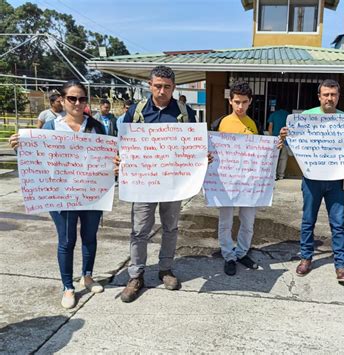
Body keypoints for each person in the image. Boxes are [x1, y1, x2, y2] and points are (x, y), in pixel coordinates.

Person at [9, 80, 107, 309]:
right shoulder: (50, 128)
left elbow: (106, 155)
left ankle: (88, 276)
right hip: (60, 195)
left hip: (91, 192)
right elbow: (38, 157)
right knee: (66, 240)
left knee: (90, 237)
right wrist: (21, 147)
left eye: (82, 98)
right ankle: (68, 287)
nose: (77, 102)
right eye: (72, 98)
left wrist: (113, 165)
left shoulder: (96, 127)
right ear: (61, 100)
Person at [115, 66, 196, 303]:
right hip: (144, 182)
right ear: (150, 85)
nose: (162, 91)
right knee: (140, 230)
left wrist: (202, 156)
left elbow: (194, 143)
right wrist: (120, 156)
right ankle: (136, 275)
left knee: (170, 228)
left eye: (167, 87)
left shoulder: (184, 112)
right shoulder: (136, 112)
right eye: (158, 86)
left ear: (174, 87)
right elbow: (124, 142)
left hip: (173, 182)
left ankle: (165, 270)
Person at [280, 79, 344, 284]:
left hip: (337, 180)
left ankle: (341, 264)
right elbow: (293, 151)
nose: (329, 98)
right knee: (308, 221)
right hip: (311, 179)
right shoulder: (306, 118)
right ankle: (306, 258)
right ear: (319, 96)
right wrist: (285, 137)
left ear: (338, 96)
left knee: (338, 223)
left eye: (333, 94)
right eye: (326, 94)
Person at [214, 81, 261, 276]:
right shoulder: (221, 123)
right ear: (230, 101)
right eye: (236, 101)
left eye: (244, 102)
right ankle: (228, 256)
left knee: (248, 222)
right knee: (225, 222)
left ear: (250, 102)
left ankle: (242, 253)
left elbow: (258, 153)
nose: (240, 106)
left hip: (248, 183)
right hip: (226, 183)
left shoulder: (252, 124)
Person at [267, 102, 289, 180]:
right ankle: (281, 175)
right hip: (285, 138)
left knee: (274, 157)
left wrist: (271, 138)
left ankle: (273, 175)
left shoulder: (273, 114)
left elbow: (270, 127)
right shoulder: (288, 115)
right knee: (283, 157)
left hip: (275, 138)